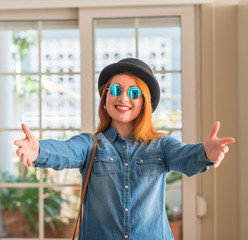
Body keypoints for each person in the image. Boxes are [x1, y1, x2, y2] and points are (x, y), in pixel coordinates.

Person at [14, 58, 235, 240]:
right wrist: (39, 151)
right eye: (117, 89)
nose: (123, 98)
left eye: (134, 93)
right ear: (106, 97)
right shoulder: (90, 144)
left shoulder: (162, 146)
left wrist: (206, 152)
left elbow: (186, 157)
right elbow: (66, 151)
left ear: (144, 102)